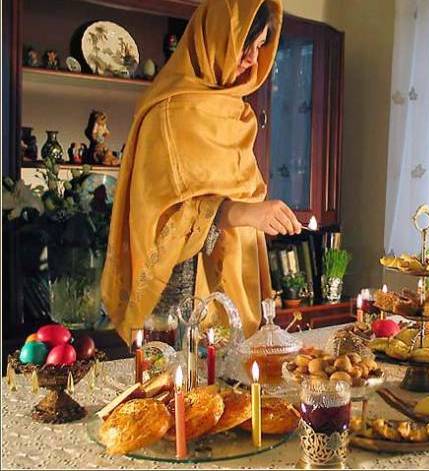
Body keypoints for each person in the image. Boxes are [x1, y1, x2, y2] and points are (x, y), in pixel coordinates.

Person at [101, 0, 301, 343]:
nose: (253, 59)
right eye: (245, 45)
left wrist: (257, 216)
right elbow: (160, 217)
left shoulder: (238, 112)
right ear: (217, 38)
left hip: (235, 289)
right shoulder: (167, 113)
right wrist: (242, 213)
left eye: (259, 47)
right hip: (179, 300)